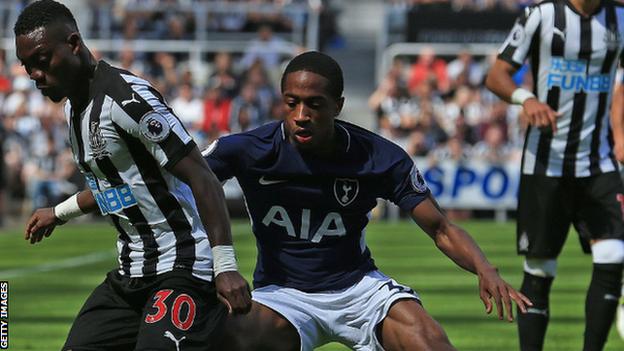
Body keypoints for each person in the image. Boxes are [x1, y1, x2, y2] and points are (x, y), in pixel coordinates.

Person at [203, 51, 531, 351]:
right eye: (292, 103)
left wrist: (484, 268)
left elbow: (441, 228)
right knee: (224, 340)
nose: (301, 115)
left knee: (431, 343)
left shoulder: (378, 157)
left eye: (315, 104)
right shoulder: (248, 149)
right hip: (282, 294)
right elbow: (186, 180)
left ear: (338, 106)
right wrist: (221, 264)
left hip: (358, 289)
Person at [14, 1, 251, 350]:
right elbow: (118, 186)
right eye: (27, 66)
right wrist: (59, 213)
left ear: (74, 44)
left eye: (42, 60)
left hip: (182, 267)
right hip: (131, 276)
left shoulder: (127, 101)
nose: (34, 75)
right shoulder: (72, 110)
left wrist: (225, 266)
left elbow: (203, 177)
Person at [485, 0, 624, 350]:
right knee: (540, 269)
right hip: (545, 163)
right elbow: (496, 75)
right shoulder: (540, 16)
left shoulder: (620, 18)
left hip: (599, 161)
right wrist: (526, 99)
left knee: (613, 255)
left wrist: (620, 132)